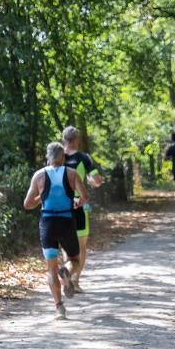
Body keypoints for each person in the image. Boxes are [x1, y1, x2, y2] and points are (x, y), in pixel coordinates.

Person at [23, 141, 89, 319]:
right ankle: (66, 272)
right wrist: (76, 202)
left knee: (51, 268)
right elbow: (85, 197)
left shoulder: (39, 175)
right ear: (64, 157)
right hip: (67, 222)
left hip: (47, 224)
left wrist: (41, 196)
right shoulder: (72, 173)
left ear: (47, 158)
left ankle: (59, 307)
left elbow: (27, 204)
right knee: (74, 259)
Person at [62, 125, 102, 292]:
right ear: (77, 140)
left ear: (63, 140)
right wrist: (91, 182)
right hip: (79, 205)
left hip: (60, 205)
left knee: (65, 244)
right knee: (82, 246)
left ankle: (67, 275)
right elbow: (97, 180)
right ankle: (75, 280)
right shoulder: (84, 158)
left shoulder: (56, 156)